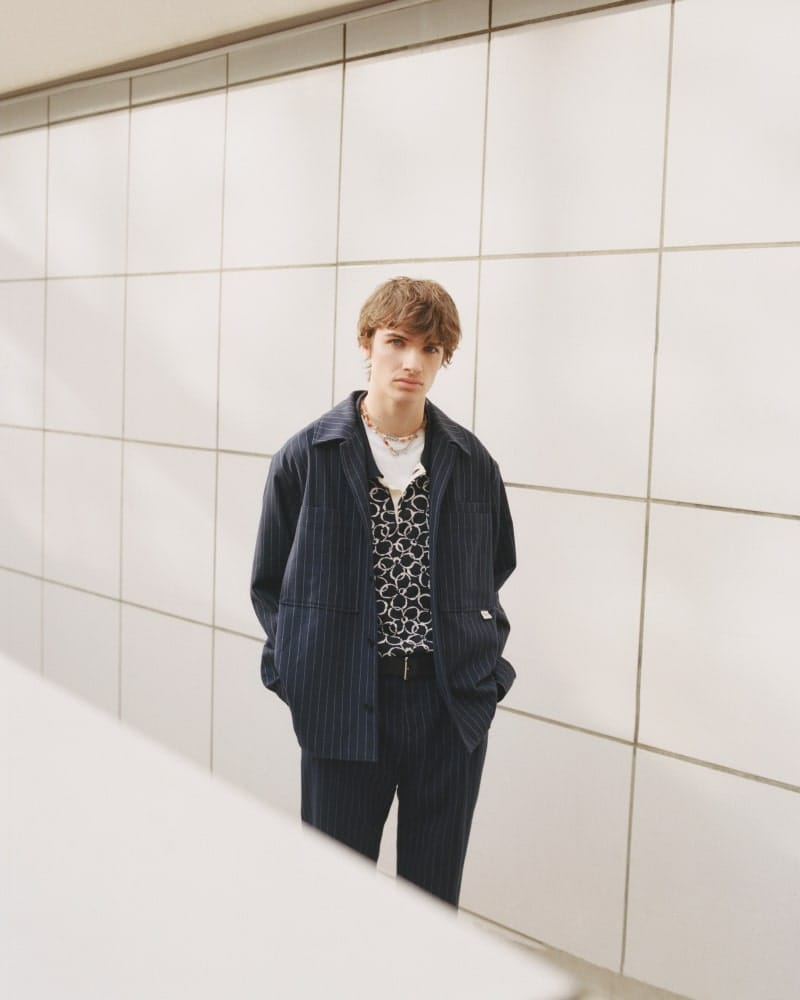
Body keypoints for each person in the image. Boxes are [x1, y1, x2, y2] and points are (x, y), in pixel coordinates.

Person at [251, 277, 516, 906]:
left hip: (447, 710)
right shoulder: (308, 456)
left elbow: (495, 569)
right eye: (397, 341)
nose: (411, 362)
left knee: (432, 905)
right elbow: (270, 585)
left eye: (430, 349)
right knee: (334, 900)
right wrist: (301, 678)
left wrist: (483, 678)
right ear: (367, 343)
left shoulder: (471, 463)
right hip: (342, 705)